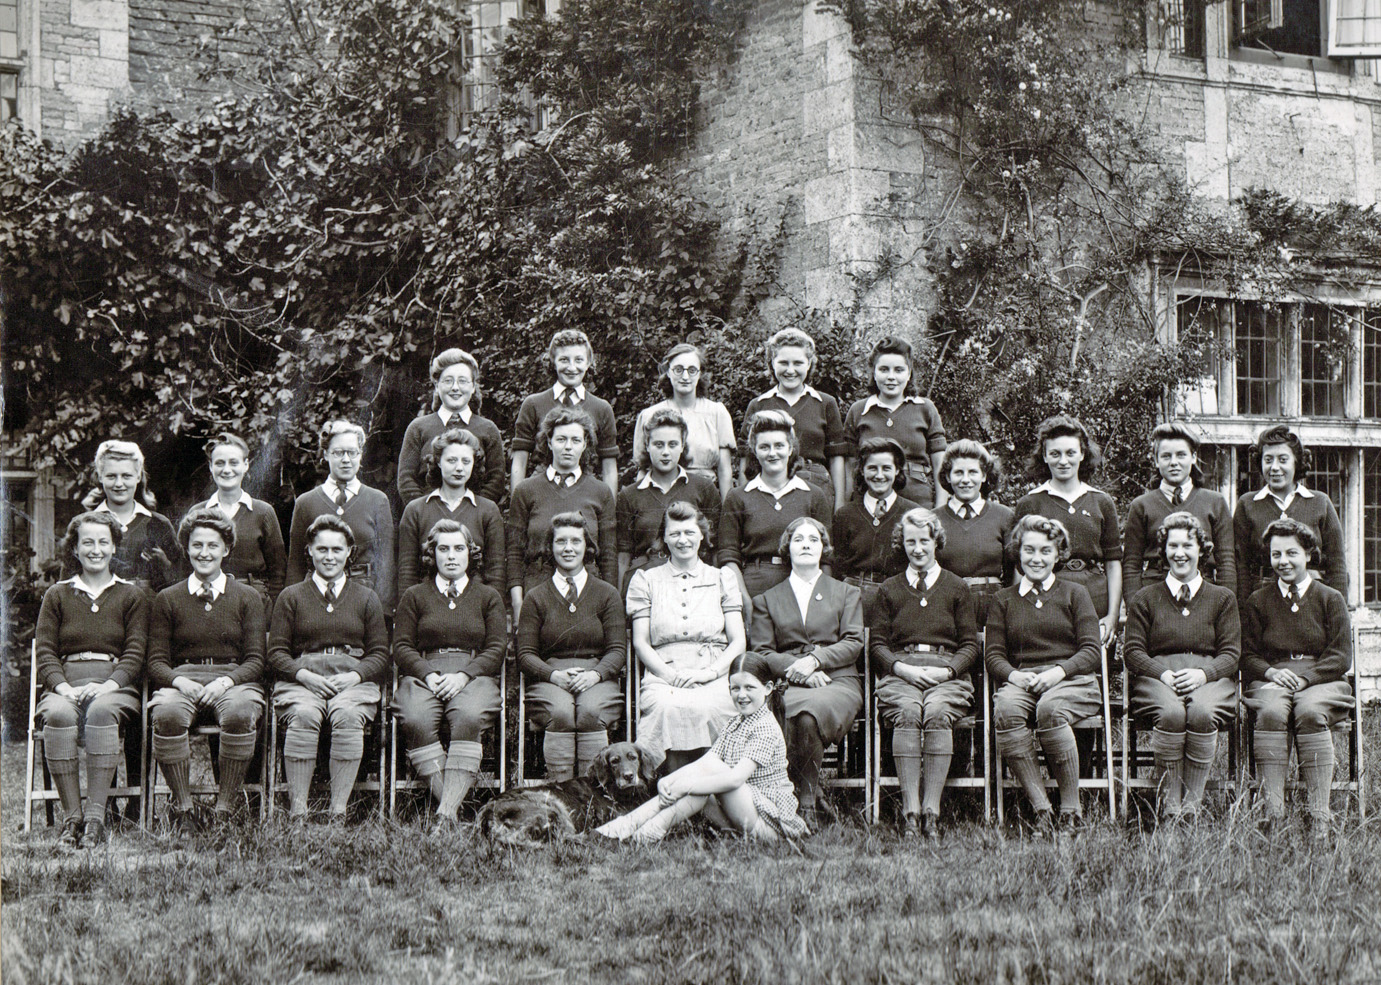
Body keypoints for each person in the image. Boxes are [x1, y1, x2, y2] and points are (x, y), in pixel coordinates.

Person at [596, 653, 807, 843]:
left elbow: (734, 779)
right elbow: (705, 762)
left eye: (749, 688)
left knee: (715, 775)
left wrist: (685, 786)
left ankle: (645, 828)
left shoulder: (765, 727)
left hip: (771, 825)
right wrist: (668, 780)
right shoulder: (737, 722)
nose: (742, 695)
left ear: (768, 688)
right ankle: (636, 826)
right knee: (706, 778)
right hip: (744, 814)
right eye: (735, 688)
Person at [147, 508, 267, 830]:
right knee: (167, 713)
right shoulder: (168, 598)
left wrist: (227, 681)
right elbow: (156, 661)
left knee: (242, 712)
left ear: (226, 549)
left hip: (232, 681)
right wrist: (179, 681)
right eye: (197, 545)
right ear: (186, 549)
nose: (204, 553)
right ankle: (184, 810)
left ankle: (224, 810)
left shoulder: (247, 597)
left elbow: (256, 660)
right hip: (184, 680)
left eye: (213, 545)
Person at [33, 512, 147, 848]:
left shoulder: (131, 595)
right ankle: (72, 818)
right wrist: (64, 688)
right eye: (88, 543)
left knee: (100, 712)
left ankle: (96, 817)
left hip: (114, 686)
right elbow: (46, 653)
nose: (95, 549)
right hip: (66, 684)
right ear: (75, 549)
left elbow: (135, 651)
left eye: (103, 542)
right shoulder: (58, 594)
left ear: (114, 548)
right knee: (58, 715)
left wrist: (108, 685)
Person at [986, 515, 1103, 832]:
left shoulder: (1075, 593)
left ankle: (1070, 809)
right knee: (1007, 710)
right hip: (1023, 681)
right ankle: (1042, 809)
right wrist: (1014, 676)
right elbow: (994, 654)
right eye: (1029, 550)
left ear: (1058, 554)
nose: (1036, 559)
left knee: (1050, 710)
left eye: (1045, 551)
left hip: (1071, 681)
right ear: (1018, 552)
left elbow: (1091, 650)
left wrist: (1057, 673)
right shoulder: (1003, 599)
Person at [269, 514, 390, 821]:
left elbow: (379, 654)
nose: (329, 557)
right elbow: (276, 652)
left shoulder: (366, 598)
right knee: (305, 714)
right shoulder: (291, 597)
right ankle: (298, 811)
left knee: (348, 715)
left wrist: (356, 675)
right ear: (309, 550)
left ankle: (338, 810)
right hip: (303, 677)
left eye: (337, 549)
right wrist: (302, 674)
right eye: (322, 549)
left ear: (350, 552)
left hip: (351, 679)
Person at [1122, 512, 1239, 822]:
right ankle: (1170, 807)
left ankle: (1191, 806)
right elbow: (1132, 651)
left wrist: (1203, 674)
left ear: (1201, 549)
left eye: (1188, 545)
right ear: (1164, 551)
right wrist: (1162, 674)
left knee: (1202, 712)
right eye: (1172, 546)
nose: (1180, 553)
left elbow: (1231, 653)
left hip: (1209, 676)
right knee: (1172, 714)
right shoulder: (1145, 598)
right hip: (1158, 676)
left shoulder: (1222, 598)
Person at [869, 508, 978, 840]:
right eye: (910, 541)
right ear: (902, 544)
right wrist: (900, 668)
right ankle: (910, 813)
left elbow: (970, 645)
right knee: (906, 712)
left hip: (946, 673)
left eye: (924, 541)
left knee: (937, 713)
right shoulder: (889, 589)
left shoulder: (957, 587)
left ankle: (932, 810)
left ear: (936, 542)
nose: (917, 549)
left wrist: (948, 671)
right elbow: (877, 645)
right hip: (902, 671)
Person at [1241, 518, 1353, 840]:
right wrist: (1272, 672)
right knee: (1272, 711)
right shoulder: (1258, 601)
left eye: (1292, 553)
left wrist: (1307, 679)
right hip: (1273, 679)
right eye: (1276, 555)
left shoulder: (1330, 598)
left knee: (1309, 711)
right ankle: (1273, 815)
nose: (1284, 562)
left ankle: (1320, 817)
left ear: (1308, 554)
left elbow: (1340, 656)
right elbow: (1247, 655)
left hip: (1321, 679)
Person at [748, 517, 864, 829]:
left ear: (823, 548)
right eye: (799, 540)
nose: (806, 546)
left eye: (813, 540)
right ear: (788, 548)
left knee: (809, 715)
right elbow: (761, 651)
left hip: (838, 679)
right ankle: (798, 797)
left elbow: (854, 642)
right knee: (798, 712)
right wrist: (796, 669)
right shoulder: (767, 599)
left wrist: (815, 661)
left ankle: (807, 801)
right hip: (791, 681)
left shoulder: (845, 593)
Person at [392, 519, 506, 824]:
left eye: (459, 548)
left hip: (473, 676)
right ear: (432, 554)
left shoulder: (488, 596)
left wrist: (464, 676)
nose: (452, 555)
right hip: (423, 675)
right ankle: (455, 809)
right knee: (415, 717)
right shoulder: (415, 596)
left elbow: (496, 648)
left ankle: (445, 814)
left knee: (468, 716)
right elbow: (402, 646)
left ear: (471, 553)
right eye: (444, 549)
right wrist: (428, 674)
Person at [629, 501, 744, 771]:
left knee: (713, 706)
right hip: (663, 672)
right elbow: (640, 641)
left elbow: (738, 640)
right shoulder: (646, 580)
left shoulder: (721, 578)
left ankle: (714, 795)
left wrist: (710, 673)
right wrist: (669, 676)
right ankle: (672, 793)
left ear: (702, 535)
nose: (683, 540)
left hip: (713, 671)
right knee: (667, 707)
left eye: (690, 532)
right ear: (664, 538)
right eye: (675, 533)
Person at [516, 514, 627, 781]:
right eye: (561, 541)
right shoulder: (535, 596)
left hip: (597, 676)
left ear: (587, 547)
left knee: (591, 711)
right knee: (561, 713)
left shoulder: (606, 593)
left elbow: (617, 650)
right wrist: (554, 675)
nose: (569, 548)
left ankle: (595, 795)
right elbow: (525, 654)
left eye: (576, 541)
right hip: (551, 677)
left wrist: (595, 675)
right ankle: (563, 795)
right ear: (550, 548)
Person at [1014, 415, 1123, 644]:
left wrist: (1112, 615)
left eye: (1070, 453)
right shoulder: (1030, 503)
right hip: (1045, 594)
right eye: (1055, 454)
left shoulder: (1101, 501)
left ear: (1082, 454)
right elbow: (1019, 565)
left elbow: (1113, 562)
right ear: (1044, 456)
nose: (1063, 461)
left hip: (1095, 595)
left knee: (1094, 661)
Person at [506, 406, 617, 621]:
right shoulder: (526, 490)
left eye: (576, 440)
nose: (568, 447)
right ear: (549, 442)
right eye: (561, 439)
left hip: (587, 592)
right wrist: (518, 602)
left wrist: (609, 604)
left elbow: (609, 556)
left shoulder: (600, 491)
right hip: (537, 591)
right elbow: (514, 552)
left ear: (585, 444)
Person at [719, 410, 833, 601]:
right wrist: (743, 599)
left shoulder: (813, 495)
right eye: (764, 447)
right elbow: (728, 555)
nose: (773, 453)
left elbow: (827, 557)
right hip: (755, 586)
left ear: (790, 449)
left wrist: (821, 598)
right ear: (754, 451)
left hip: (804, 586)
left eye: (779, 445)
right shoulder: (738, 496)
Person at [286, 420, 396, 613]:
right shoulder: (306, 503)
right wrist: (292, 609)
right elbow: (295, 564)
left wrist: (383, 610)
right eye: (338, 453)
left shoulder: (377, 500)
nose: (346, 459)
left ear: (360, 455)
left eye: (352, 452)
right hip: (316, 597)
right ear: (326, 454)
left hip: (365, 597)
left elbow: (386, 562)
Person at [1122, 422, 1235, 602]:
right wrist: (1135, 607)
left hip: (1203, 593)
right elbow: (1131, 565)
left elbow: (1226, 562)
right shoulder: (1141, 505)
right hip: (1154, 595)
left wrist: (1224, 604)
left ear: (1193, 457)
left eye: (1181, 455)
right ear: (1156, 460)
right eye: (1166, 456)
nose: (1174, 462)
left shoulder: (1215, 502)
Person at [1233, 425, 1347, 602]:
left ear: (1296, 462)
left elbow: (1337, 565)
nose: (1275, 467)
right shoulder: (1247, 504)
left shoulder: (1320, 502)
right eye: (1268, 459)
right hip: (1263, 605)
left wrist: (1338, 611)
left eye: (1283, 459)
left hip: (1312, 602)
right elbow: (1241, 568)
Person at [616, 407, 720, 593]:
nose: (665, 452)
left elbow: (715, 547)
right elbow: (623, 554)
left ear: (682, 445)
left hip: (693, 584)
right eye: (658, 444)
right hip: (645, 584)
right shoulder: (629, 495)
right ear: (647, 445)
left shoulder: (703, 487)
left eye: (672, 444)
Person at [742, 328, 847, 507]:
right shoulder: (758, 404)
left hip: (815, 484)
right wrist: (743, 501)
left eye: (798, 363)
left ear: (809, 364)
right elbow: (746, 458)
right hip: (769, 485)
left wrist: (839, 503)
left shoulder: (825, 403)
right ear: (772, 363)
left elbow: (836, 458)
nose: (790, 370)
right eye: (783, 363)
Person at [843, 335, 948, 508]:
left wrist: (940, 509)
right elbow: (849, 468)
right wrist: (846, 506)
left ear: (909, 373)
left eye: (898, 370)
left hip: (917, 501)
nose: (891, 377)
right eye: (884, 369)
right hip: (870, 501)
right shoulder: (858, 410)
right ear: (874, 373)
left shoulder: (925, 409)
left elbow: (940, 465)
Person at [510, 329, 619, 494]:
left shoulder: (601, 408)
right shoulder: (533, 404)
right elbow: (519, 463)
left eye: (579, 360)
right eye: (564, 360)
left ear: (589, 362)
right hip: (541, 492)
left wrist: (608, 514)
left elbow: (609, 469)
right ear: (553, 362)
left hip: (586, 492)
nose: (572, 367)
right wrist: (517, 505)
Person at [397, 428, 504, 594]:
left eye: (466, 461)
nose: (459, 468)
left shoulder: (488, 510)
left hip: (474, 608)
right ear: (438, 462)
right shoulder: (416, 510)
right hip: (426, 608)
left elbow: (496, 573)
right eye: (452, 460)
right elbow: (407, 572)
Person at [396, 348, 506, 504]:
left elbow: (496, 480)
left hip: (474, 520)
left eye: (462, 381)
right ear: (437, 385)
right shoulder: (418, 427)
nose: (455, 387)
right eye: (448, 380)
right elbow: (406, 479)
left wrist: (474, 511)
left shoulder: (488, 429)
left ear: (473, 386)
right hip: (428, 520)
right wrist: (426, 511)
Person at [71, 439, 180, 593]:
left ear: (138, 477)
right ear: (100, 477)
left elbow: (179, 580)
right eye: (111, 476)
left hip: (148, 612)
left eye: (126, 476)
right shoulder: (83, 525)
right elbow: (68, 585)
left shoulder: (159, 524)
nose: (119, 484)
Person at [630, 342, 736, 498]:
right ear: (668, 372)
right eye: (678, 370)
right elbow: (643, 469)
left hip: (704, 497)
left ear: (700, 374)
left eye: (692, 370)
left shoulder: (717, 413)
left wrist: (728, 514)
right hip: (661, 495)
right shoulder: (649, 415)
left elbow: (725, 471)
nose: (685, 377)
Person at [832, 437, 920, 620]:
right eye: (872, 468)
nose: (879, 475)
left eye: (886, 468)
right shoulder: (845, 514)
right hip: (853, 598)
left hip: (897, 597)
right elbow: (837, 567)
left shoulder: (912, 513)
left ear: (897, 471)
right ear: (862, 471)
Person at [197, 432, 287, 607]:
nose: (227, 469)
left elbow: (278, 570)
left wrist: (273, 610)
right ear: (210, 466)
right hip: (208, 600)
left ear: (246, 465)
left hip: (254, 601)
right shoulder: (199, 512)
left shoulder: (263, 512)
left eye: (234, 462)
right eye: (220, 463)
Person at [935, 439, 1014, 627]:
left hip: (992, 604)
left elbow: (1013, 570)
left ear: (984, 475)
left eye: (972, 472)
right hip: (947, 604)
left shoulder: (1004, 516)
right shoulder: (933, 519)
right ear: (947, 476)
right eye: (958, 472)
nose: (965, 480)